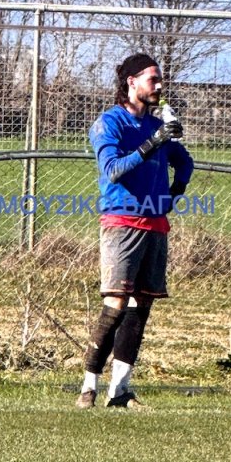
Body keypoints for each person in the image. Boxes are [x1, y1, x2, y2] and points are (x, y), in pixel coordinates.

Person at [79, 52, 194, 409]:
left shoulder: (155, 125)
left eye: (160, 79)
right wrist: (153, 143)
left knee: (141, 305)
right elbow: (113, 169)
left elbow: (184, 161)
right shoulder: (109, 123)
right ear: (132, 82)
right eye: (152, 79)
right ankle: (88, 385)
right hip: (122, 222)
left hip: (156, 223)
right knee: (115, 303)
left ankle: (120, 391)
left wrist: (176, 190)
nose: (159, 85)